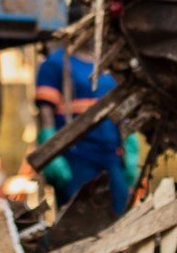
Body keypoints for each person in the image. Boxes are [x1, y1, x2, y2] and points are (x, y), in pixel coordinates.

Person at [34, 26, 136, 214]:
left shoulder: (111, 65)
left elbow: (124, 111)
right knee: (77, 216)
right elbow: (45, 112)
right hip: (76, 158)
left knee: (118, 214)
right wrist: (50, 152)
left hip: (111, 157)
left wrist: (130, 147)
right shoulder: (57, 64)